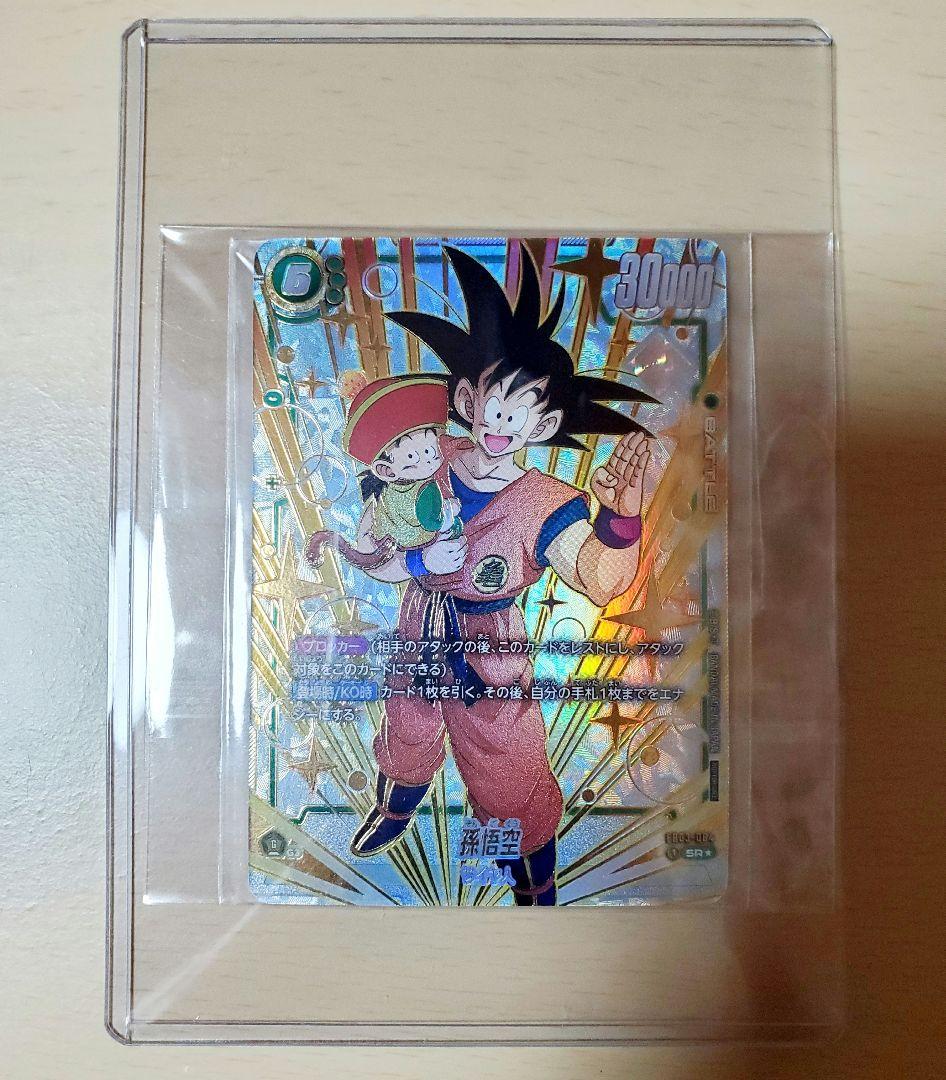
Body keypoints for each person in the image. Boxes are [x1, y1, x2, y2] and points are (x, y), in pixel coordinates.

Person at [347, 244, 655, 906]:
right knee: (406, 722)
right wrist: (386, 537)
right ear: (467, 398)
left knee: (508, 764)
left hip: (492, 647)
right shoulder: (431, 452)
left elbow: (602, 579)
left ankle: (532, 880)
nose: (501, 424)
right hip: (420, 622)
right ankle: (396, 805)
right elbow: (376, 497)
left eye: (522, 412)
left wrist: (620, 520)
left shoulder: (546, 501)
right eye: (493, 404)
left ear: (545, 423)